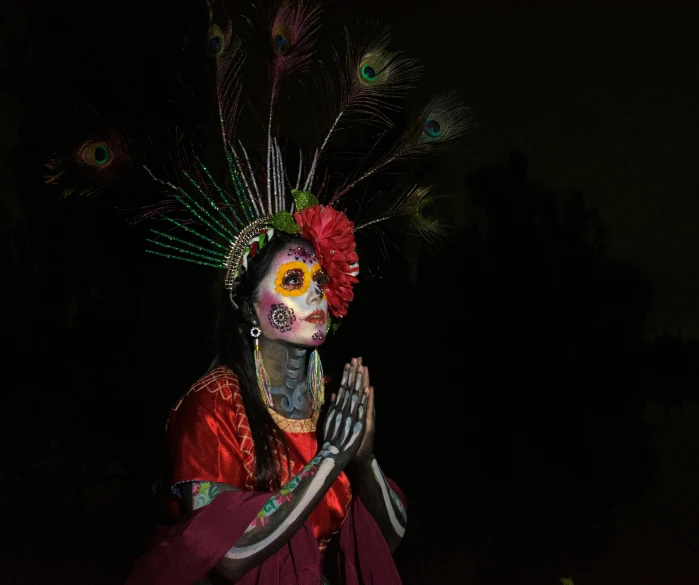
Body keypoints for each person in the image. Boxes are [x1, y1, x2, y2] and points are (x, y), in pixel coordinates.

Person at [45, 0, 470, 582]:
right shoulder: (212, 409)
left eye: (319, 278)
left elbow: (390, 537)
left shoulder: (331, 404)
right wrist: (327, 461)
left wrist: (363, 456)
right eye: (294, 282)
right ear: (250, 306)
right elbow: (231, 556)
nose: (316, 293)